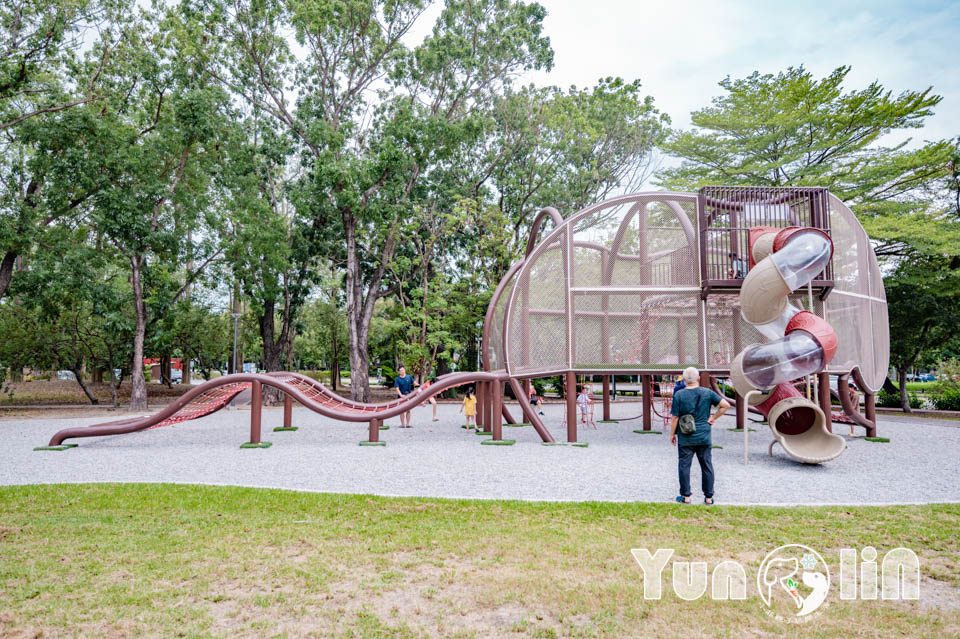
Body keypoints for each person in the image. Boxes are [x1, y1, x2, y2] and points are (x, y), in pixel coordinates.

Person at [669, 366, 730, 505]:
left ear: (684, 380)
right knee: (706, 465)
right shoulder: (707, 393)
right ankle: (709, 497)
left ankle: (686, 496)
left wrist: (672, 434)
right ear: (698, 378)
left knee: (684, 465)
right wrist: (713, 418)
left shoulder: (679, 395)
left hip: (685, 436)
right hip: (704, 435)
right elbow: (725, 405)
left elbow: (675, 418)